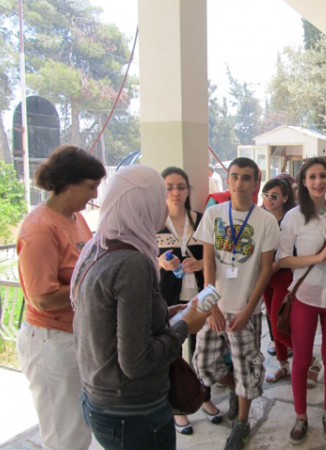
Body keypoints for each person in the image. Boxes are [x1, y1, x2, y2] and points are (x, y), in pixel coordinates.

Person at [72, 165, 211, 450]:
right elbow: (137, 362)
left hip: (99, 398)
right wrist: (185, 326)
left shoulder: (97, 246)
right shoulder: (132, 263)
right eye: (160, 196)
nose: (164, 204)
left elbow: (112, 319)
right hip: (133, 411)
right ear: (142, 204)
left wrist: (166, 313)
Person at [16, 144, 105, 450]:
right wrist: (96, 285)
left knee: (80, 426)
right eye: (90, 186)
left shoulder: (75, 218)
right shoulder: (40, 229)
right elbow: (42, 298)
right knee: (64, 433)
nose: (94, 195)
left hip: (77, 334)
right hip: (51, 341)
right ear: (68, 183)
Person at [194, 157, 280, 450]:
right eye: (234, 176)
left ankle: (242, 423)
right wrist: (211, 306)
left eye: (246, 177)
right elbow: (208, 262)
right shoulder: (214, 214)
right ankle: (235, 390)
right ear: (228, 179)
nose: (239, 183)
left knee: (247, 368)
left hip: (245, 309)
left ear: (256, 183)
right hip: (214, 306)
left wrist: (248, 310)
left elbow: (266, 269)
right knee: (204, 365)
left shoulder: (266, 221)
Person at [277, 157, 326, 446]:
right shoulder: (293, 217)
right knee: (302, 360)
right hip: (305, 296)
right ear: (304, 182)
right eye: (312, 177)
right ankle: (301, 417)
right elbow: (284, 259)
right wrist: (318, 257)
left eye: (322, 176)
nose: (318, 181)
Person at [157, 167, 221, 434]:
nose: (176, 192)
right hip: (167, 298)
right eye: (169, 187)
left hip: (198, 296)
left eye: (180, 186)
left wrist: (202, 263)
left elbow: (217, 255)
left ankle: (202, 396)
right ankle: (177, 408)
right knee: (171, 354)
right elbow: (142, 259)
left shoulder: (201, 219)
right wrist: (159, 262)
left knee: (200, 351)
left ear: (188, 190)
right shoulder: (154, 222)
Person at [261, 178, 296, 383]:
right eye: (266, 195)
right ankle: (283, 366)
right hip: (266, 277)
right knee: (272, 323)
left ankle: (309, 359)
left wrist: (272, 266)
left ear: (284, 198)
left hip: (284, 276)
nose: (269, 200)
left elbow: (291, 252)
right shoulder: (261, 218)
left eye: (274, 196)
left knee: (278, 325)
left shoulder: (290, 220)